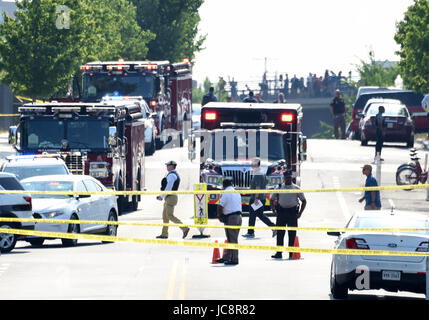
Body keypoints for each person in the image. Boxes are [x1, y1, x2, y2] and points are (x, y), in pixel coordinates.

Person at [270, 171, 307, 260]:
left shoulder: (296, 188)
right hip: (281, 213)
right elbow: (271, 199)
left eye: (289, 177)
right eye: (286, 178)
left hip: (292, 214)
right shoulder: (279, 188)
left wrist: (300, 213)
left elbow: (304, 201)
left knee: (292, 234)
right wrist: (274, 210)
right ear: (284, 178)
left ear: (292, 178)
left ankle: (291, 253)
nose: (288, 179)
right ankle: (279, 252)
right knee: (280, 234)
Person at [242, 158, 277, 239]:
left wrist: (256, 199)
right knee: (259, 215)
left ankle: (251, 232)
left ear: (256, 164)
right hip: (261, 198)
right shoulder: (261, 173)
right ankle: (273, 227)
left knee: (252, 214)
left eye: (253, 163)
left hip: (257, 198)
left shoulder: (258, 174)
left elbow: (258, 187)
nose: (251, 165)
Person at [156, 160, 190, 239]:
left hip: (171, 197)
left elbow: (169, 187)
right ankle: (164, 234)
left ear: (172, 166)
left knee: (170, 215)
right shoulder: (172, 174)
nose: (166, 166)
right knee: (165, 216)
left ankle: (184, 228)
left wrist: (162, 196)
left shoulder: (171, 175)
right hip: (169, 197)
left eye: (168, 165)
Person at [216, 178, 242, 265]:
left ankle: (235, 259)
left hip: (231, 218)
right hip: (238, 217)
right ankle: (226, 257)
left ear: (224, 185)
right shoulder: (236, 192)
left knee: (232, 239)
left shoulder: (226, 193)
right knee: (231, 239)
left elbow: (220, 206)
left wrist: (219, 216)